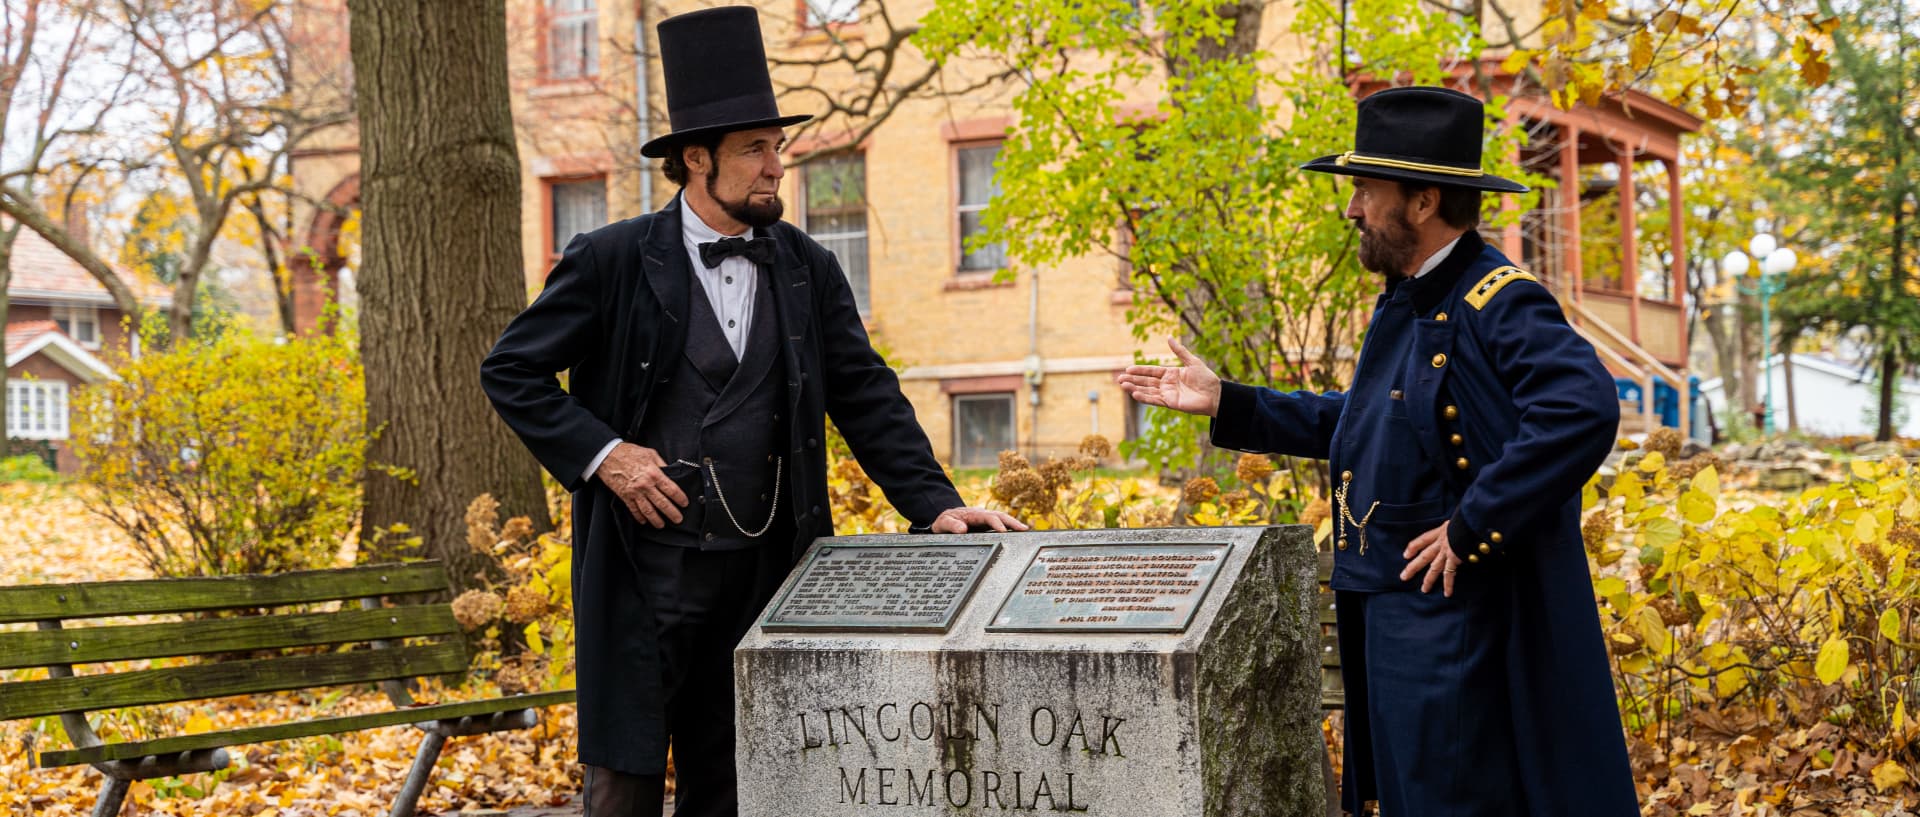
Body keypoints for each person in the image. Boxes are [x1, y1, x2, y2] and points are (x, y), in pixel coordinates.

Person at [480, 7, 1024, 816]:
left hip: (767, 571)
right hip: (643, 571)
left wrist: (936, 504)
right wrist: (607, 455)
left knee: (735, 780)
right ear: (697, 160)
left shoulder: (806, 266)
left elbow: (866, 392)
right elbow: (511, 369)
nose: (779, 166)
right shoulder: (612, 259)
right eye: (757, 150)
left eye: (779, 146)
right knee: (621, 788)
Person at [1118, 86, 1636, 816]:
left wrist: (1471, 525)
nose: (1352, 208)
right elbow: (1366, 425)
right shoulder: (1408, 299)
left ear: (1423, 203)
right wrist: (1229, 402)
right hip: (1388, 615)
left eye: (1365, 189)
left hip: (1452, 630)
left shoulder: (1498, 299)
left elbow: (1581, 407)